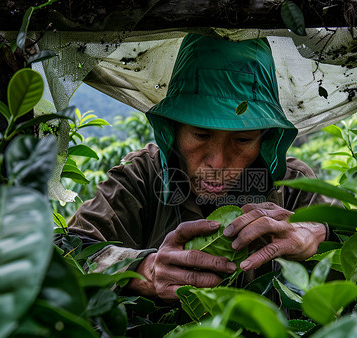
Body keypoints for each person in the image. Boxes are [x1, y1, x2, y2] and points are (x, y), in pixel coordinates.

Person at [67, 33, 335, 302]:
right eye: (201, 135)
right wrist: (141, 269)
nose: (217, 162)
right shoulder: (141, 178)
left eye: (242, 140)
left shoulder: (293, 187)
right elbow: (64, 251)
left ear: (264, 139)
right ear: (175, 130)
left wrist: (319, 235)